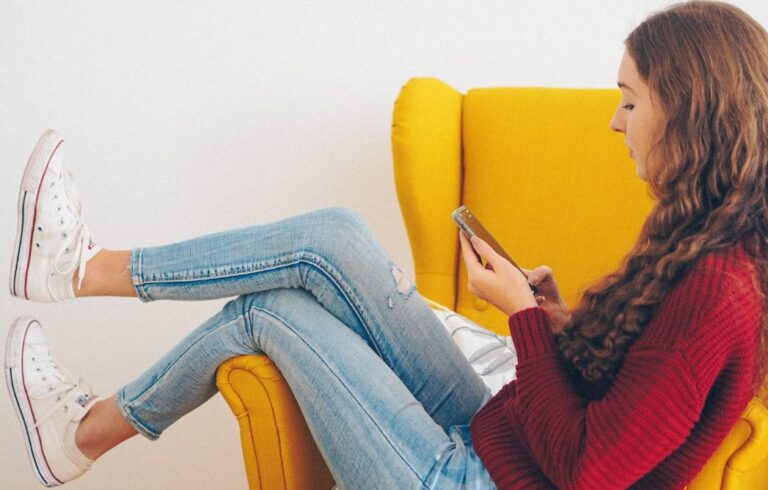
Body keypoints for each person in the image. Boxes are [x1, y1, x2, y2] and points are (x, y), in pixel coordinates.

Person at [5, 1, 767, 488]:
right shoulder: (699, 238)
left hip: (479, 479)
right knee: (332, 236)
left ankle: (79, 433)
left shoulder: (719, 289)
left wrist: (524, 324)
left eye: (630, 101)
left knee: (268, 312)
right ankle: (79, 272)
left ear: (690, 113)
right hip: (503, 439)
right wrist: (559, 320)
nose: (615, 123)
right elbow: (627, 406)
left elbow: (590, 469)